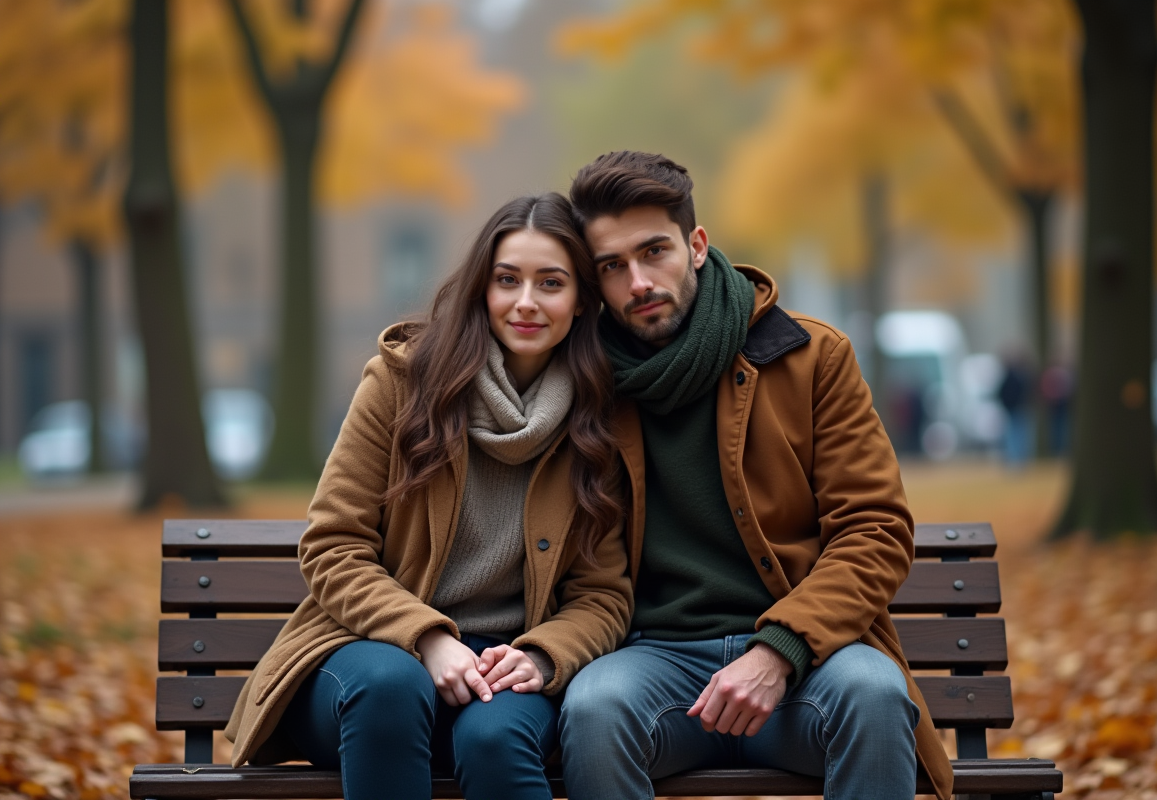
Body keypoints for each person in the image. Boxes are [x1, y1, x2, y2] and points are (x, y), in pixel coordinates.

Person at [558, 152, 955, 800]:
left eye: (654, 251)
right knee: (595, 709)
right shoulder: (584, 386)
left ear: (696, 245)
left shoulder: (810, 357)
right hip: (654, 661)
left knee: (874, 692)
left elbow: (876, 529)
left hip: (808, 660)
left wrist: (778, 650)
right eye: (612, 266)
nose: (638, 282)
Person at [223, 193, 632, 800]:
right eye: (507, 280)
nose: (526, 301)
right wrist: (428, 638)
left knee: (495, 740)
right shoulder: (402, 384)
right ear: (481, 290)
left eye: (551, 283)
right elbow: (333, 546)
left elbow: (603, 594)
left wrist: (544, 656)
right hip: (371, 656)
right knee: (390, 687)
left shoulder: (599, 419)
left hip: (505, 671)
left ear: (579, 302)